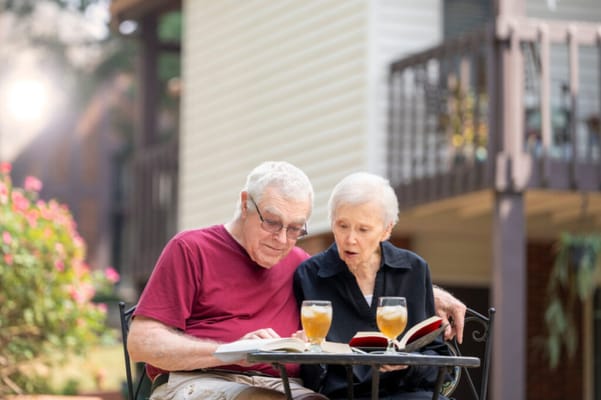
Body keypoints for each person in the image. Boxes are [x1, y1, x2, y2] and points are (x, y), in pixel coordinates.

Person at [128, 161, 466, 400]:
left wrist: (430, 292)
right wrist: (234, 351)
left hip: (287, 388)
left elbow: (362, 273)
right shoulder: (192, 248)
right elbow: (141, 343)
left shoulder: (299, 265)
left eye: (295, 228)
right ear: (246, 204)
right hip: (202, 382)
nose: (282, 239)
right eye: (272, 223)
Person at [293, 172, 452, 400]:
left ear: (387, 230)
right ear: (332, 222)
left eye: (363, 229)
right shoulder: (309, 275)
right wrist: (305, 348)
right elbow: (311, 373)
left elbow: (437, 359)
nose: (350, 239)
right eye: (342, 225)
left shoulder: (413, 270)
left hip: (408, 394)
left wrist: (406, 364)